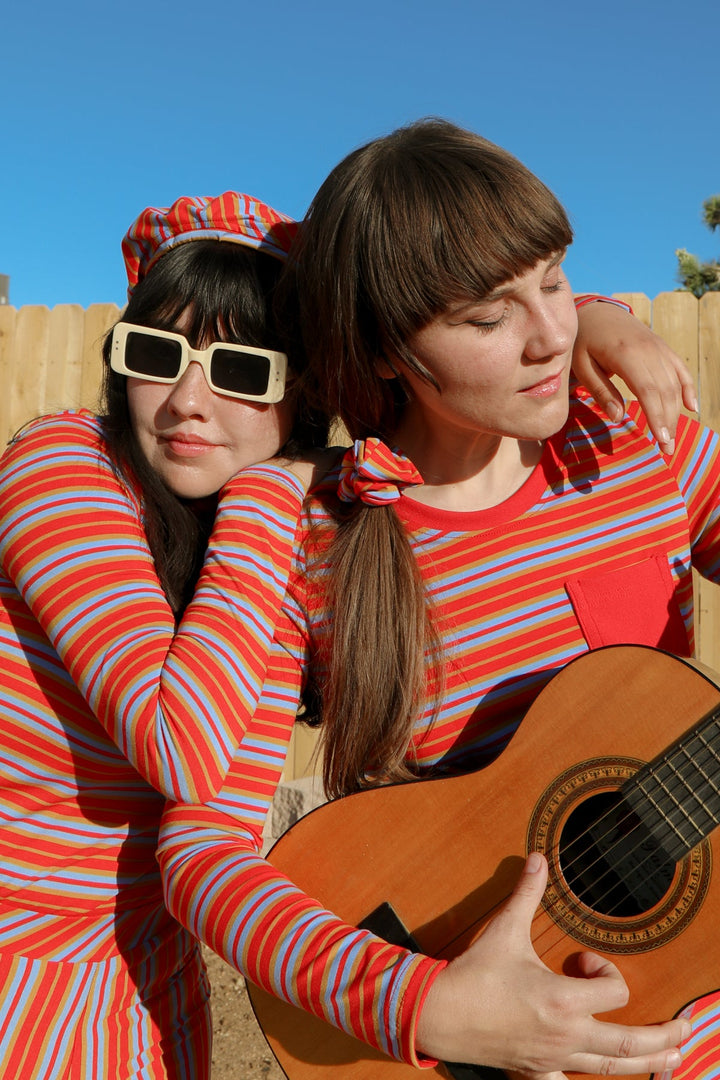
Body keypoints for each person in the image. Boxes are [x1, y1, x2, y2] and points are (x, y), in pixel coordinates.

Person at [157, 121, 714, 1080]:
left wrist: (599, 310)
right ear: (380, 348)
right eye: (488, 317)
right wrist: (424, 1005)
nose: (551, 336)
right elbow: (200, 844)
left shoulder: (639, 441)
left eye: (554, 281)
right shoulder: (308, 529)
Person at [0, 191, 328, 1079]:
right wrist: (274, 490)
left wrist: (595, 323)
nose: (188, 400)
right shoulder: (62, 461)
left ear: (302, 387)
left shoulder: (273, 557)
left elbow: (213, 823)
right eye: (158, 355)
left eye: (241, 369)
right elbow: (180, 747)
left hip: (149, 1006)